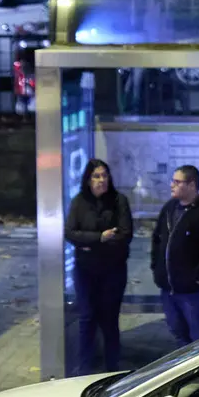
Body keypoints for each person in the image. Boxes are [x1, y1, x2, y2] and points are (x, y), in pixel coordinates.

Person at [64, 159, 133, 375]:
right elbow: (70, 233)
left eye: (104, 175)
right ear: (88, 179)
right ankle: (83, 370)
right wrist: (100, 238)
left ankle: (112, 370)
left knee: (109, 319)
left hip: (113, 271)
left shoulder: (119, 201)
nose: (101, 180)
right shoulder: (79, 202)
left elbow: (125, 234)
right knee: (87, 317)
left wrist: (89, 244)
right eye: (96, 176)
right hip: (85, 271)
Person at [151, 165, 199, 346]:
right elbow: (157, 239)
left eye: (177, 182)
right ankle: (186, 372)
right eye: (172, 181)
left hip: (194, 292)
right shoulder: (169, 208)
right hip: (169, 288)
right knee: (177, 332)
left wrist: (198, 278)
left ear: (192, 185)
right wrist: (156, 268)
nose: (171, 185)